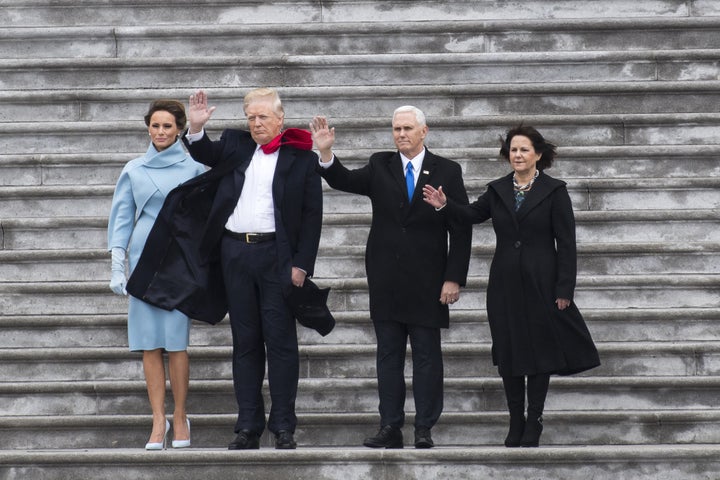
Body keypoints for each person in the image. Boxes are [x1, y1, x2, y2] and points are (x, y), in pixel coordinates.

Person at [422, 124, 600, 448]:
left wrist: (564, 290)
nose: (517, 155)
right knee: (509, 351)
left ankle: (535, 420)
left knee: (540, 351)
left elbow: (567, 244)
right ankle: (515, 419)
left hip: (542, 283)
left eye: (524, 150)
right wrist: (445, 205)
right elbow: (472, 214)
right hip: (503, 285)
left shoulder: (554, 191)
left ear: (538, 155)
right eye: (513, 150)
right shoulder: (497, 189)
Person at [309, 107, 472, 449]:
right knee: (389, 355)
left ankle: (424, 427)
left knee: (427, 357)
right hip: (386, 277)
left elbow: (460, 228)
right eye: (396, 128)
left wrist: (454, 277)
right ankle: (390, 427)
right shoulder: (380, 164)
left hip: (429, 280)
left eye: (407, 128)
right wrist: (325, 153)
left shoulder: (447, 170)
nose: (400, 134)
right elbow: (344, 180)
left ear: (423, 131)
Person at [181, 88, 323, 450]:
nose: (256, 123)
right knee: (244, 343)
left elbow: (311, 217)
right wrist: (196, 129)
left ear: (280, 119)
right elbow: (205, 152)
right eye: (251, 118)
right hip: (235, 253)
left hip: (277, 257)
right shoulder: (235, 144)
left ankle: (283, 426)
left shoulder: (302, 159)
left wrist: (301, 265)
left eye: (262, 117)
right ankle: (247, 426)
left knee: (280, 342)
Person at [107, 99, 205, 450]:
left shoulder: (194, 168)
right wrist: (118, 265)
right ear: (147, 127)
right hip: (144, 263)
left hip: (179, 263)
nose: (160, 132)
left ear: (179, 129)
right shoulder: (133, 169)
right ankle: (157, 419)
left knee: (176, 343)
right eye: (155, 125)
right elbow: (121, 219)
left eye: (167, 126)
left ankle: (180, 416)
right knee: (149, 344)